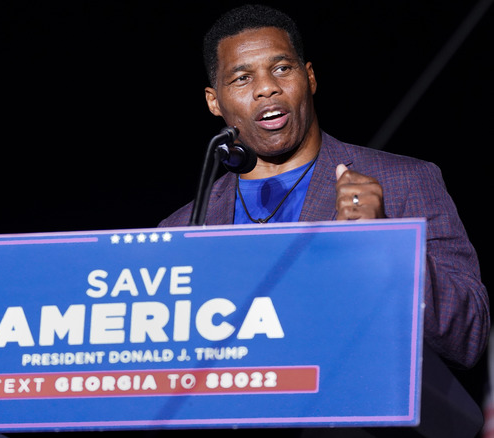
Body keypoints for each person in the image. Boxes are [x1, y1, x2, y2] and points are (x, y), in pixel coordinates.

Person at [159, 5, 489, 435]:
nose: (266, 89)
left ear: (309, 78)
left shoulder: (404, 181)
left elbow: (469, 335)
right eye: (242, 78)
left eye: (281, 68)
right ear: (214, 101)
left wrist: (388, 243)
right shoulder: (181, 229)